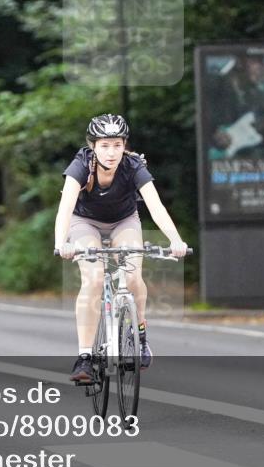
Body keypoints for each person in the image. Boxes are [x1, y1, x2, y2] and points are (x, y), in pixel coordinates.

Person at [54, 114, 188, 381]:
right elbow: (66, 208)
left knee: (132, 274)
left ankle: (139, 332)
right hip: (85, 223)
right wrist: (62, 243)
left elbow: (156, 206)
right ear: (93, 146)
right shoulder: (81, 165)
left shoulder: (133, 165)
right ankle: (85, 358)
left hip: (124, 222)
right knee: (92, 279)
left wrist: (175, 240)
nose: (111, 152)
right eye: (104, 145)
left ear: (124, 144)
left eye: (117, 144)